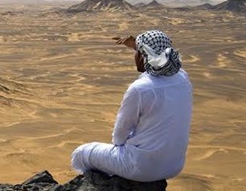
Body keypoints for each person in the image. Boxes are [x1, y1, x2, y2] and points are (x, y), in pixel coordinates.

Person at [71, 30, 193, 182]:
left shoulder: (141, 88)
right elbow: (160, 58)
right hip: (174, 166)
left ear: (143, 56)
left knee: (81, 153)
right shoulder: (182, 77)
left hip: (141, 167)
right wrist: (138, 45)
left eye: (138, 53)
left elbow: (119, 137)